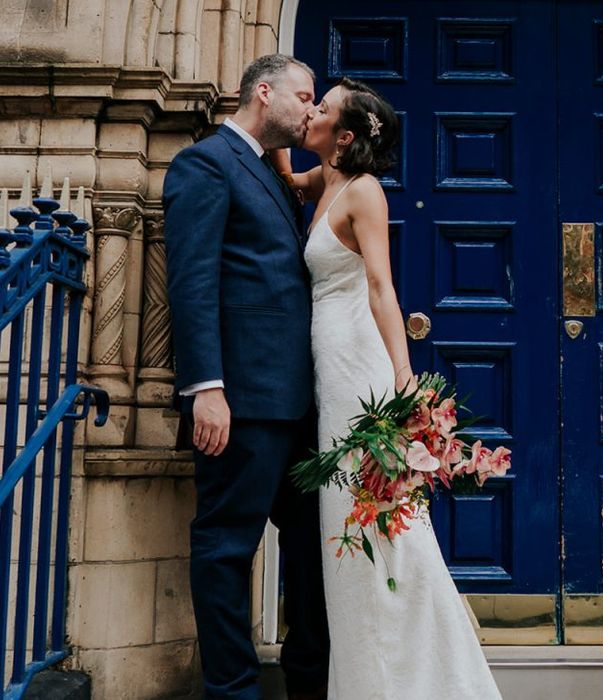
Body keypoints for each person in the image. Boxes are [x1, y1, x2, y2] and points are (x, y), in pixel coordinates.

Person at [272, 77, 502, 700]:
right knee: (345, 519)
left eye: (320, 110)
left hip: (358, 370)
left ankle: (414, 675)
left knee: (374, 517)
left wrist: (404, 382)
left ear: (344, 136)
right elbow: (282, 171)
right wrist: (266, 107)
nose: (310, 114)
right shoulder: (325, 181)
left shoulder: (365, 192)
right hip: (326, 363)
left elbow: (380, 286)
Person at [162, 54, 330, 700]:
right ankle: (233, 690)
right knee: (227, 553)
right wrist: (206, 387)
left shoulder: (269, 172)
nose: (312, 110)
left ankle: (308, 683)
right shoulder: (204, 164)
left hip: (301, 411)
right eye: (304, 95)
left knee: (315, 558)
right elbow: (192, 281)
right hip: (243, 406)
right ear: (264, 92)